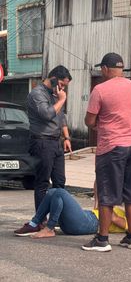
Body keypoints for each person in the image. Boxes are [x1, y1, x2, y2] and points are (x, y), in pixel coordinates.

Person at [82, 52, 131, 252]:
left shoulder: (100, 89)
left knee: (107, 193)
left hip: (111, 147)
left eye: (102, 69)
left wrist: (101, 124)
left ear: (106, 69)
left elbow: (89, 121)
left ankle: (102, 239)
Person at [27, 65, 72, 211]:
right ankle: (40, 220)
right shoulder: (37, 94)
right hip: (42, 141)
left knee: (60, 182)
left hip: (56, 142)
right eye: (61, 84)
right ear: (53, 79)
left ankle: (57, 217)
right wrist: (62, 100)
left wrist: (66, 137)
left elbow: (61, 117)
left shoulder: (56, 95)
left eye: (65, 86)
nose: (62, 89)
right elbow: (46, 114)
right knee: (42, 182)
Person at [13, 188, 131, 244]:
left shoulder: (127, 221)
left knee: (60, 192)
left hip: (89, 224)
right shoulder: (120, 209)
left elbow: (112, 217)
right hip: (85, 217)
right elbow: (98, 202)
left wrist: (109, 197)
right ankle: (34, 224)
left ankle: (49, 228)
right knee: (52, 192)